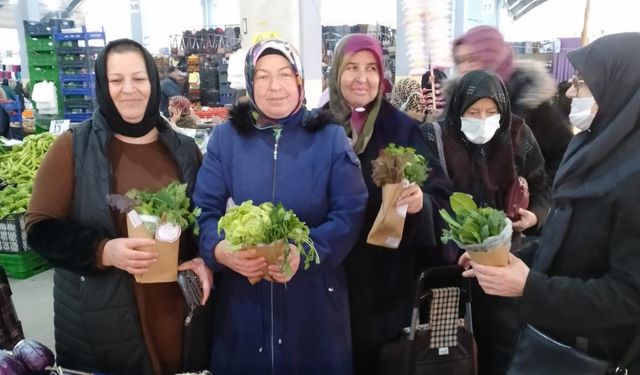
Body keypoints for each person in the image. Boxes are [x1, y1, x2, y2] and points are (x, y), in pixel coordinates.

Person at [25, 38, 212, 374]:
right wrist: (104, 251)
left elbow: (202, 222)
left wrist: (202, 259)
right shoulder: (74, 147)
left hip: (175, 315)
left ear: (153, 83)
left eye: (139, 79)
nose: (130, 90)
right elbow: (39, 228)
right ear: (102, 84)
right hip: (104, 320)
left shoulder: (183, 149)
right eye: (116, 80)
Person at [461, 32, 640, 373]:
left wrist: (530, 288)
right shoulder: (592, 150)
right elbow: (570, 242)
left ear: (622, 87)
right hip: (554, 340)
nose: (571, 93)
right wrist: (502, 257)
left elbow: (628, 295)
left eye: (583, 84)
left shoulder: (633, 177)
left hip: (595, 354)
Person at [193, 39, 368, 374]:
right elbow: (203, 209)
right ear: (249, 83)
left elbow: (350, 212)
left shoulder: (329, 137)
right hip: (244, 300)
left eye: (285, 74)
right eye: (262, 76)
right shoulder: (226, 139)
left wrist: (304, 251)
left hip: (313, 301)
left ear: (300, 81)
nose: (275, 86)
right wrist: (218, 249)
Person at [326, 33, 454, 374]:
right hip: (326, 275)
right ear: (336, 71)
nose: (362, 77)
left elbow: (441, 196)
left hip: (383, 285)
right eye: (352, 67)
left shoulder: (401, 128)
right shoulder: (317, 125)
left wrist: (419, 204)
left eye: (371, 68)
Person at [420, 69, 551, 375]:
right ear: (458, 110)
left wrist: (535, 216)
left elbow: (542, 183)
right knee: (448, 351)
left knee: (502, 348)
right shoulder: (434, 136)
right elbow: (428, 197)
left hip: (502, 264)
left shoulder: (518, 134)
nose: (483, 119)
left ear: (503, 111)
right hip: (449, 268)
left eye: (491, 112)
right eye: (473, 112)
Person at [449, 25, 574, 182]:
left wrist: (538, 197)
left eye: (472, 59)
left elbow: (564, 154)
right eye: (460, 61)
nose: (464, 68)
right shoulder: (454, 103)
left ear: (492, 59)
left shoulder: (529, 102)